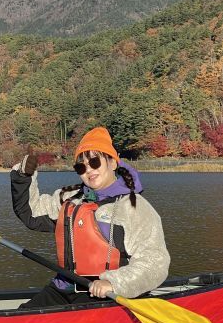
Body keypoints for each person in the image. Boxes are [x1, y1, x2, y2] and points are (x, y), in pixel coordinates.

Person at [10, 126, 169, 308]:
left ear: (113, 162)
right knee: (22, 319)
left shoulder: (134, 206)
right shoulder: (71, 199)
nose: (88, 170)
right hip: (63, 289)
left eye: (94, 162)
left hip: (109, 295)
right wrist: (24, 176)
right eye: (81, 166)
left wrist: (113, 283)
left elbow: (155, 263)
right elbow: (31, 213)